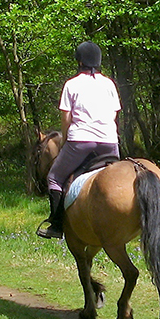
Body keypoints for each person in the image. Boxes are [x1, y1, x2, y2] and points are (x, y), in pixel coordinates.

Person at [38, 41, 121, 240]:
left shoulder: (72, 84)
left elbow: (66, 119)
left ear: (80, 61)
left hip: (80, 142)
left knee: (54, 178)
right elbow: (114, 114)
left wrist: (66, 140)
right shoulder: (109, 84)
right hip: (109, 143)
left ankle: (56, 225)